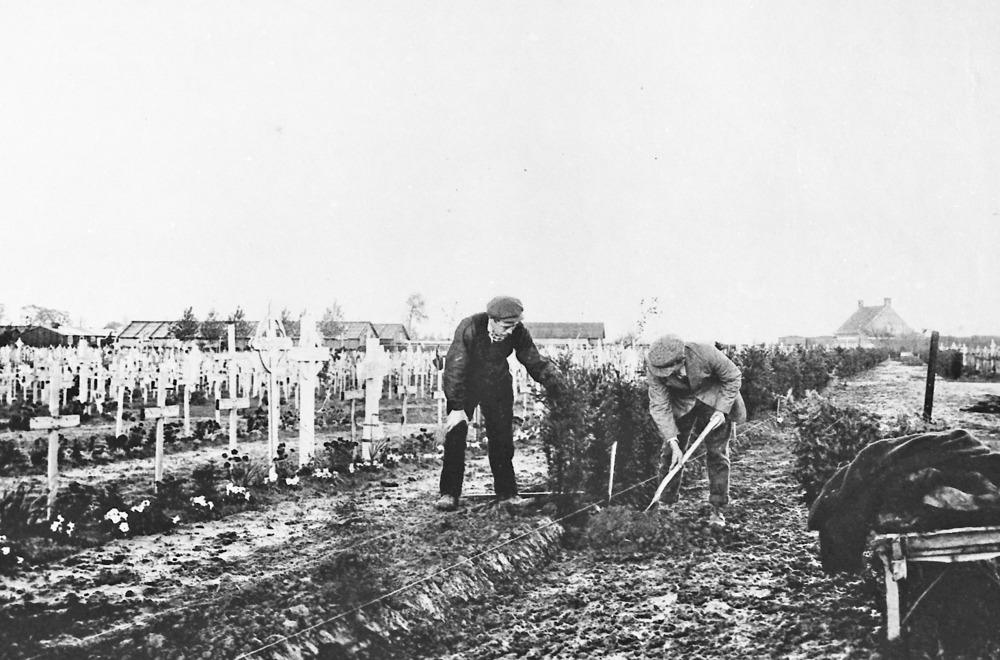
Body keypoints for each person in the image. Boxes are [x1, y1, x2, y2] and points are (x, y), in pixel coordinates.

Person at [435, 296, 564, 511]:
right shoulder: (470, 328)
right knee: (455, 435)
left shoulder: (519, 332)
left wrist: (561, 388)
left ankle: (507, 494)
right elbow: (455, 367)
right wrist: (457, 407)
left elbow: (534, 362)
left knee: (502, 437)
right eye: (507, 326)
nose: (511, 330)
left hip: (497, 383)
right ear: (492, 320)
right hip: (466, 383)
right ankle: (449, 493)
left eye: (514, 325)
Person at [646, 334, 746, 527]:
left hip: (714, 397)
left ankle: (717, 508)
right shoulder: (654, 367)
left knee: (717, 454)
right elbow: (659, 405)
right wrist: (673, 442)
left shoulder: (705, 353)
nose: (664, 374)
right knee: (670, 455)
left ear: (681, 360)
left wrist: (721, 410)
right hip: (682, 403)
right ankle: (665, 506)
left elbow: (733, 377)